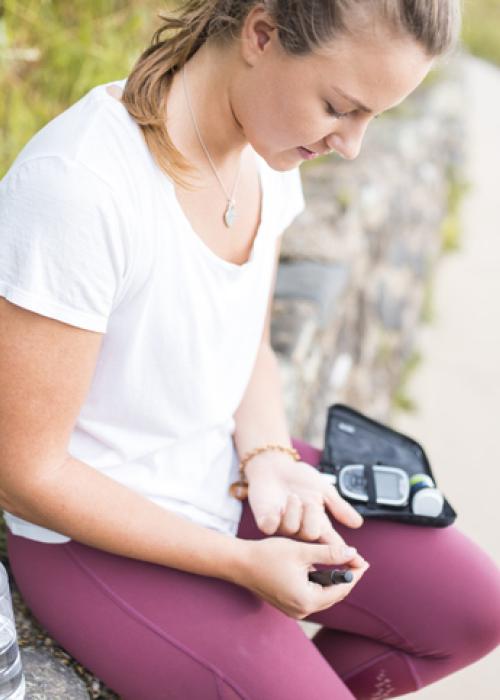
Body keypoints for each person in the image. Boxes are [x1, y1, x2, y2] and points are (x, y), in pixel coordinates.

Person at [1, 1, 499, 698]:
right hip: (95, 536)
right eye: (339, 106)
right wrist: (238, 562)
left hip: (225, 472)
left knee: (474, 609)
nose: (350, 145)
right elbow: (28, 474)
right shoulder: (78, 188)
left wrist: (269, 457)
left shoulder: (268, 149)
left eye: (372, 117)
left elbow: (248, 340)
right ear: (261, 34)